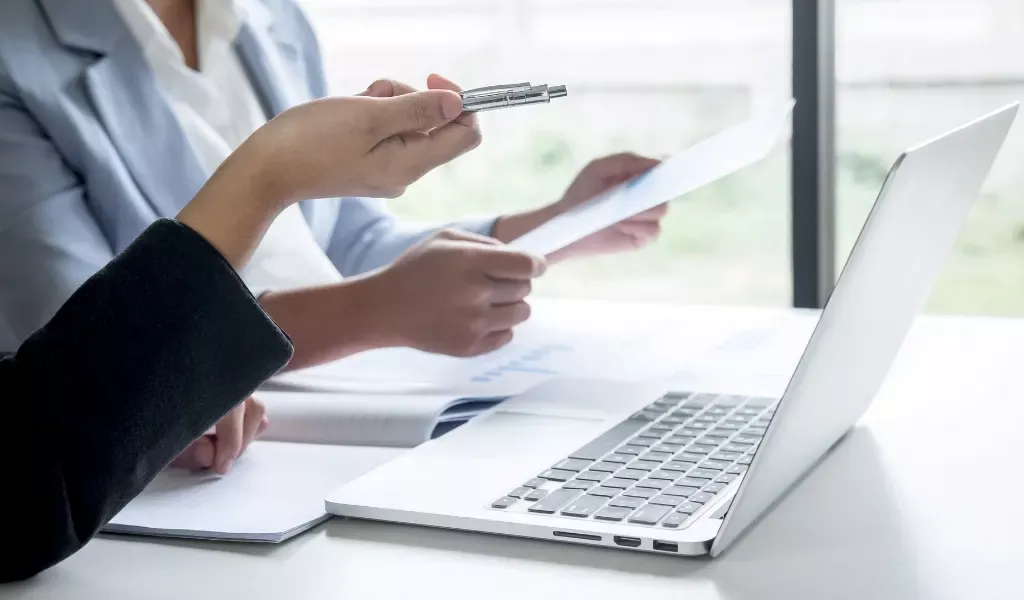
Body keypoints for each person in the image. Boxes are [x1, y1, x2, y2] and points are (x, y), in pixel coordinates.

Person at [0, 0, 667, 470]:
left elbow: (340, 243)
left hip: (330, 443)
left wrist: (558, 225)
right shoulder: (14, 47)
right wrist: (376, 310)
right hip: (193, 467)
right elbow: (79, 346)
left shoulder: (273, 18)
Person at [0, 81, 496, 582]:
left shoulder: (269, 18)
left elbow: (348, 235)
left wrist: (168, 395)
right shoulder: (16, 57)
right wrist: (265, 176)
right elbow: (24, 491)